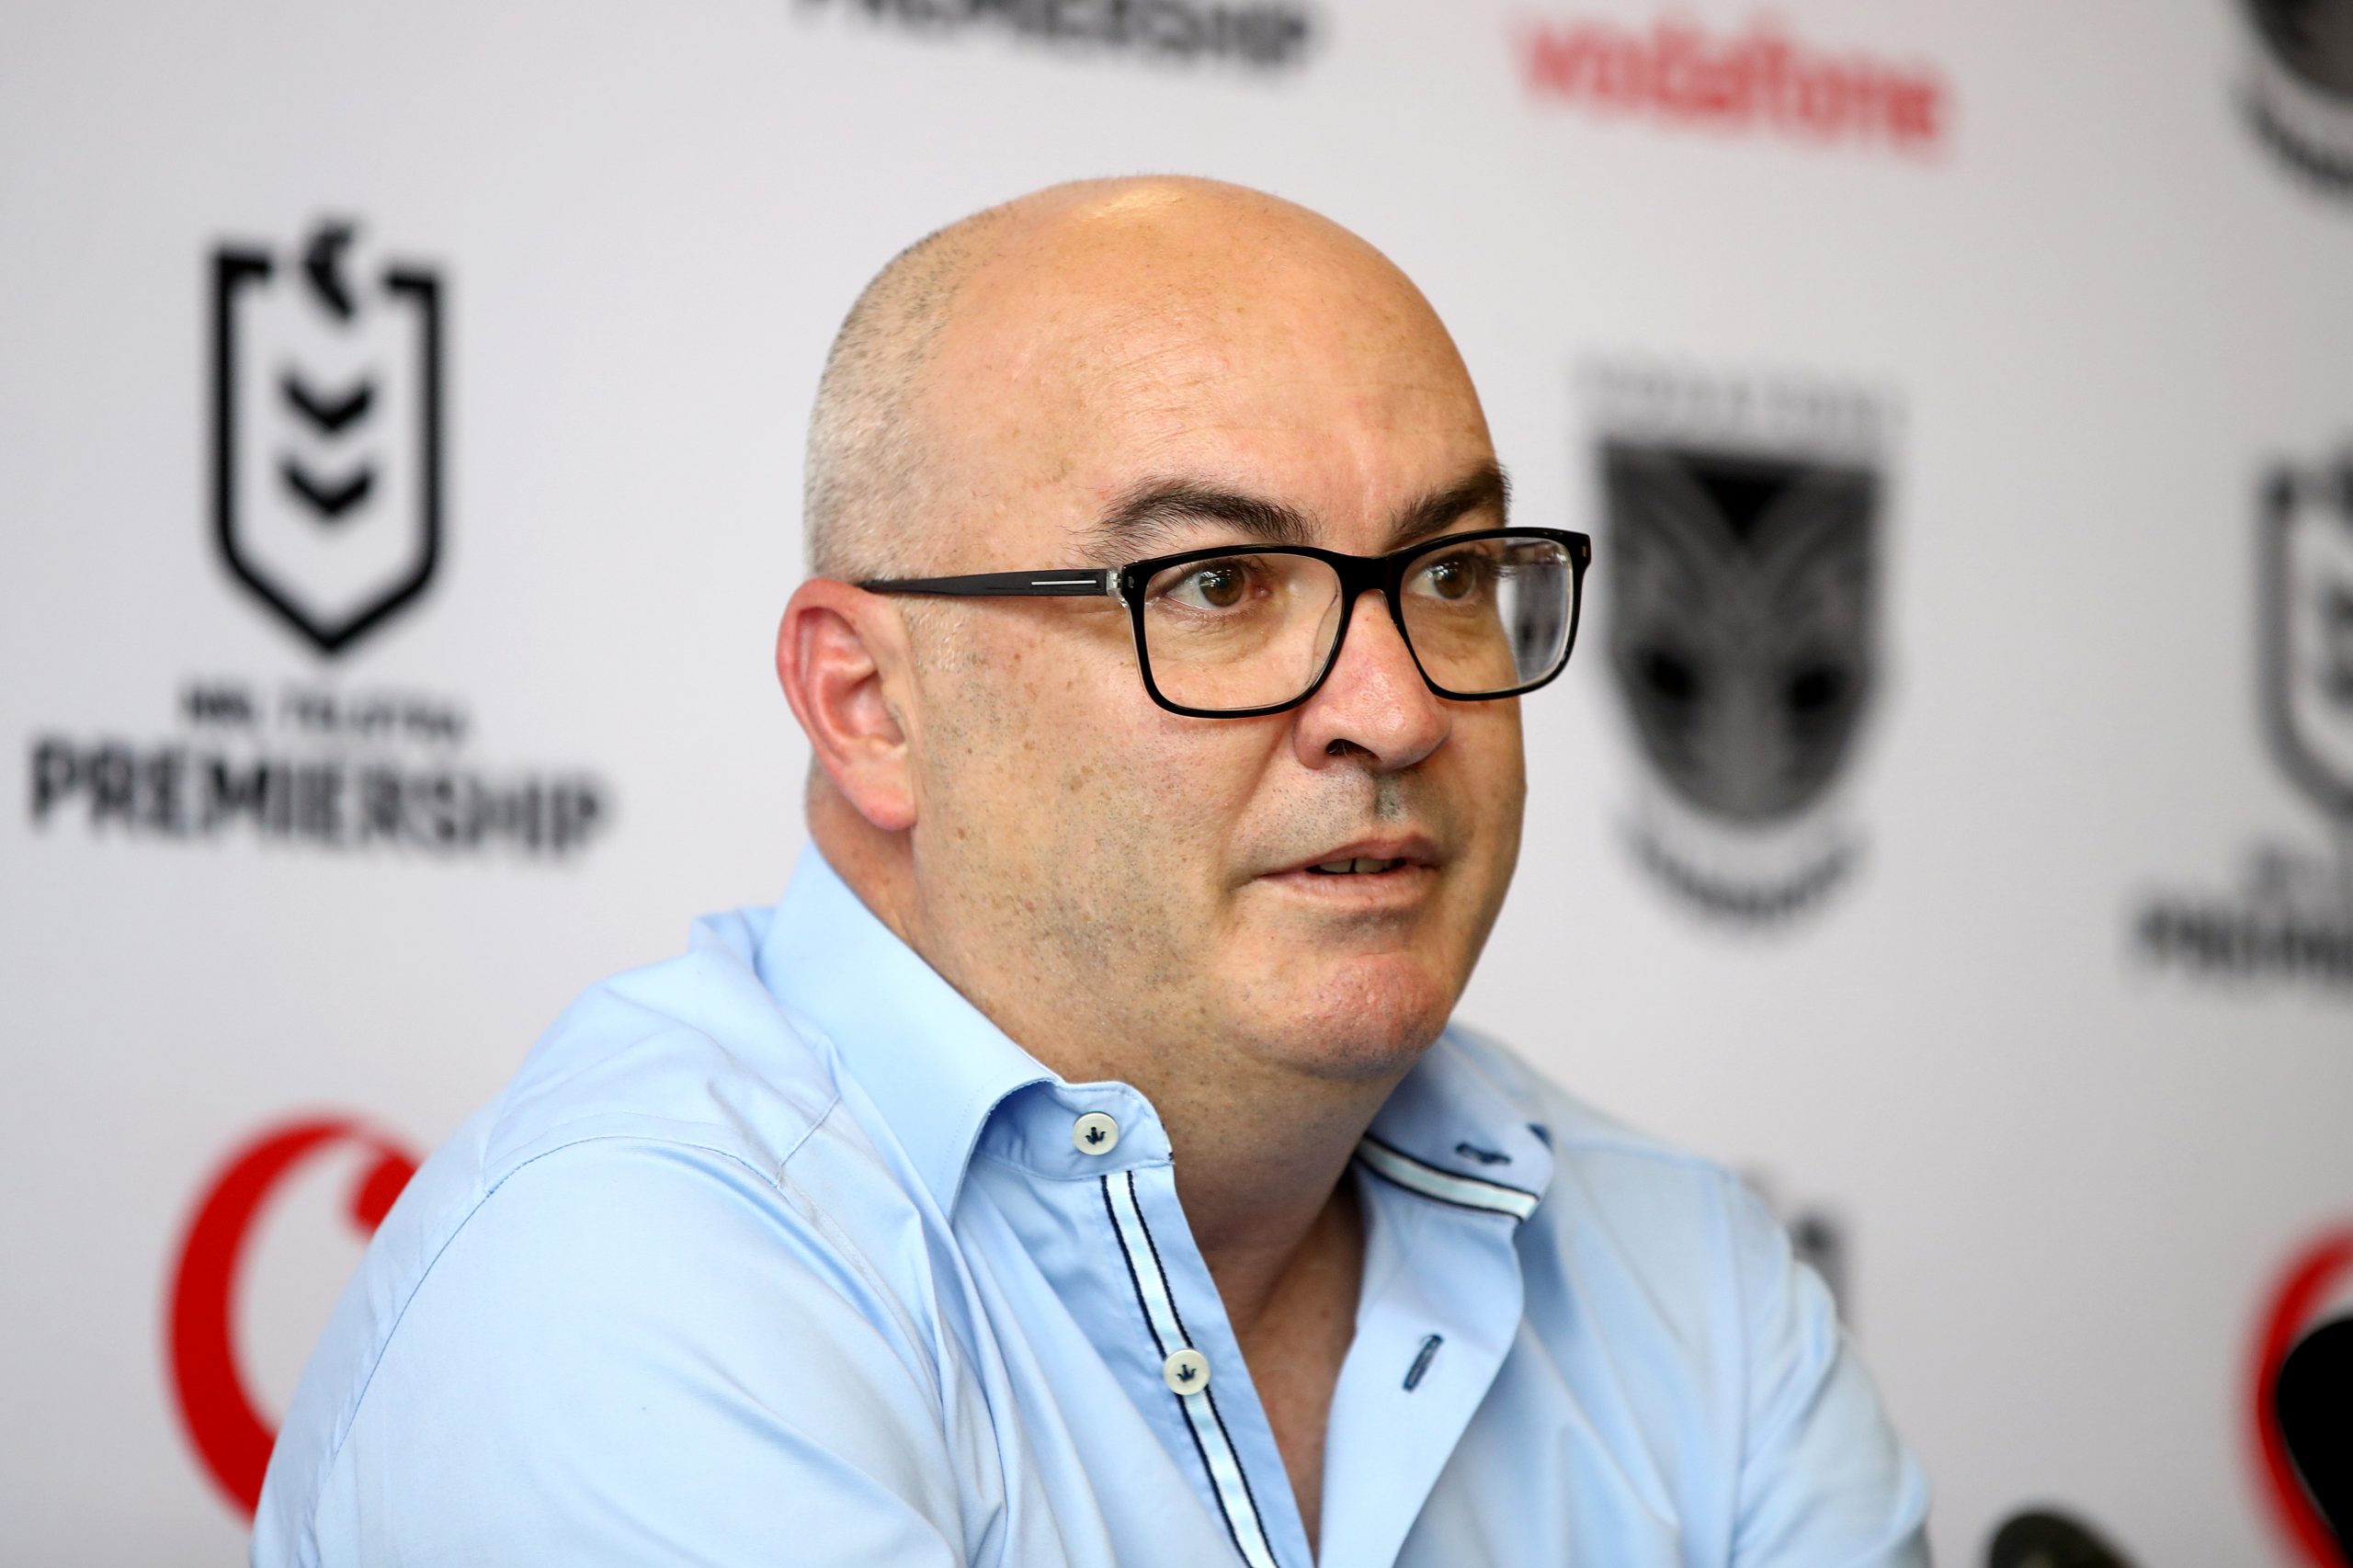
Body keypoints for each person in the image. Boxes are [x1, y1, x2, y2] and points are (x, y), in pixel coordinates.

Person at [253, 176, 1929, 1567]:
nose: (1399, 706)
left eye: (1449, 570)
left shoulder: (1686, 1276)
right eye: (1214, 584)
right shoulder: (620, 1297)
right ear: (871, 706)